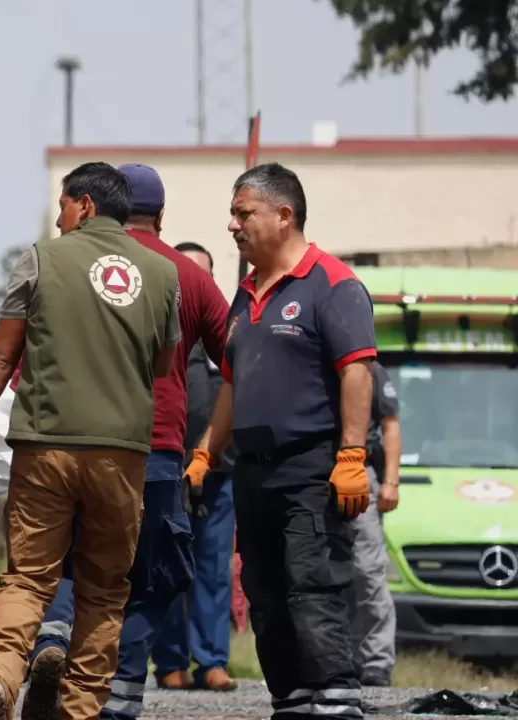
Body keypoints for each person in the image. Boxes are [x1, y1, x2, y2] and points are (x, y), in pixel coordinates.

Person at [0, 162, 182, 720]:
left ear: (87, 206)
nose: (59, 216)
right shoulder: (163, 273)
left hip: (45, 445)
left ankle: (0, 678)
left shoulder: (41, 259)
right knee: (103, 591)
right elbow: (166, 362)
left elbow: (1, 355)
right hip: (121, 454)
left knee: (28, 576)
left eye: (64, 205)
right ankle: (79, 711)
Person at [21, 165, 230, 720]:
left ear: (97, 207)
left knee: (67, 561)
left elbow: (21, 356)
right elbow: (237, 361)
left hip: (64, 440)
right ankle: (115, 700)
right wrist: (210, 446)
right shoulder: (187, 275)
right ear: (160, 216)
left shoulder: (65, 263)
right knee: (146, 580)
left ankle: (56, 636)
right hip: (155, 451)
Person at [186, 162, 375, 720]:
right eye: (232, 215)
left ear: (284, 214)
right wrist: (205, 452)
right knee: (265, 594)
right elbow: (230, 383)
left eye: (243, 213)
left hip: (313, 465)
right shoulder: (245, 295)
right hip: (252, 472)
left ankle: (336, 700)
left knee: (312, 588)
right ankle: (291, 702)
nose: (232, 226)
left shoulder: (334, 285)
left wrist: (351, 456)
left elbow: (357, 373)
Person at [149, 241, 240, 694]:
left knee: (213, 569)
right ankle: (169, 661)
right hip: (166, 469)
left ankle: (212, 661)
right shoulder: (159, 336)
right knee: (165, 567)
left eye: (203, 275)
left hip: (218, 473)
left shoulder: (223, 341)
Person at [350, 358, 400, 687]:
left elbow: (390, 425)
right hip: (313, 471)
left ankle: (376, 661)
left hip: (360, 470)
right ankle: (335, 657)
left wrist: (391, 481)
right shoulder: (309, 358)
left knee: (367, 570)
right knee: (321, 572)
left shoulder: (370, 367)